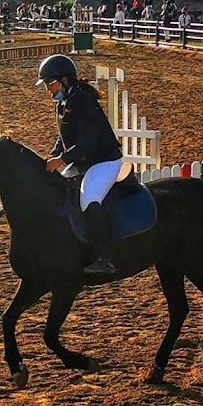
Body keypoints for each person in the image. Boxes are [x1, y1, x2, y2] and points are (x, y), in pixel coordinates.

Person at [36, 54, 131, 276]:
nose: (48, 90)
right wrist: (53, 156)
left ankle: (105, 256)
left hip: (104, 160)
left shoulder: (82, 101)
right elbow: (64, 136)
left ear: (65, 80)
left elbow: (89, 142)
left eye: (50, 84)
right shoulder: (64, 101)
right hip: (84, 160)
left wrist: (63, 160)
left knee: (89, 199)